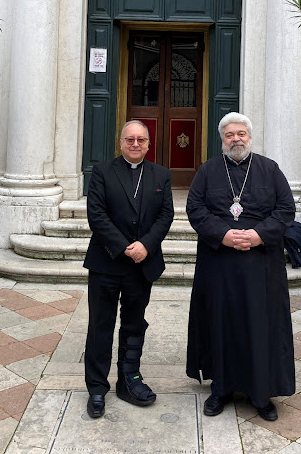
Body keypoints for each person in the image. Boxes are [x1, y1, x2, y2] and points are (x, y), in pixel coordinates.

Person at [186, 112, 295, 421]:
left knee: (260, 326)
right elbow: (194, 209)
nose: (236, 139)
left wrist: (259, 235)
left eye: (241, 134)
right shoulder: (208, 170)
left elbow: (286, 209)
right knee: (220, 324)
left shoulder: (269, 169)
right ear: (222, 139)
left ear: (249, 136)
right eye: (229, 135)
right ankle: (220, 389)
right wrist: (224, 235)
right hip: (219, 265)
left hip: (261, 266)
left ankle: (261, 395)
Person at [84, 120, 174, 418]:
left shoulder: (161, 174)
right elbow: (96, 215)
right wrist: (124, 246)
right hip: (106, 262)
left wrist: (145, 245)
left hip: (141, 265)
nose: (135, 144)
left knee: (134, 324)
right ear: (120, 142)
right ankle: (97, 387)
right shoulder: (102, 172)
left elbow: (166, 215)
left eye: (141, 140)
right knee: (101, 325)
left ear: (149, 144)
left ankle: (129, 380)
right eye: (130, 139)